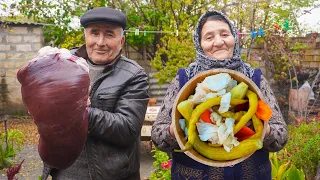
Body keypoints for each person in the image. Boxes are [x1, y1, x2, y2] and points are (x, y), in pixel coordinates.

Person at [151, 9, 288, 179]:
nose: (218, 42)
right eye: (209, 37)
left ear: (234, 39)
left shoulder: (255, 78)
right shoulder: (184, 79)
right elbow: (158, 137)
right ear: (199, 43)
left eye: (225, 34)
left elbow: (281, 137)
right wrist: (177, 129)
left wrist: (262, 130)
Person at [41, 7, 150, 180]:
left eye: (109, 34)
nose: (100, 42)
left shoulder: (133, 75)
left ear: (121, 41)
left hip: (111, 175)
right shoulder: (64, 62)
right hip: (64, 172)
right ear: (86, 36)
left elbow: (128, 129)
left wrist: (81, 112)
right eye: (94, 33)